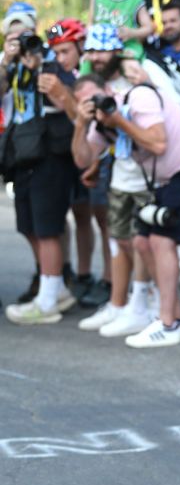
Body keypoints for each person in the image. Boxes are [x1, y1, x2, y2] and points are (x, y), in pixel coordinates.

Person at [71, 73, 180, 347]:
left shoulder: (138, 98)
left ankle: (167, 323)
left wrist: (118, 120)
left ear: (109, 90)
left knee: (161, 239)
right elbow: (83, 160)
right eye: (87, 103)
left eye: (97, 96)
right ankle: (179, 318)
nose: (96, 104)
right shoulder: (98, 123)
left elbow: (157, 143)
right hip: (172, 177)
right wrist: (81, 125)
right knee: (141, 241)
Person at [74, 24, 180, 338]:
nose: (96, 57)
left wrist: (147, 83)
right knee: (119, 239)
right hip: (120, 170)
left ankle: (147, 304)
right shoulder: (95, 83)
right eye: (92, 51)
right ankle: (120, 303)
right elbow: (100, 135)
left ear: (118, 49)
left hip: (153, 172)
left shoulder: (142, 69)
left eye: (103, 50)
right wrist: (98, 160)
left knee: (145, 241)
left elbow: (174, 108)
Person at [2, 22, 79, 324]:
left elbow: (69, 104)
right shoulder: (12, 67)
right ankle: (55, 286)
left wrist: (40, 67)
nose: (25, 46)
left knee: (48, 227)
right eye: (15, 40)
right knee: (28, 225)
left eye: (28, 38)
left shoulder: (51, 64)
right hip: (21, 153)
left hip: (50, 154)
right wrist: (7, 61)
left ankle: (47, 300)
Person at [48, 18, 113, 309]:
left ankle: (103, 278)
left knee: (101, 217)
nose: (60, 58)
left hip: (97, 153)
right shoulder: (51, 73)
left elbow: (86, 120)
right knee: (72, 216)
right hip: (65, 155)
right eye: (56, 52)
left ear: (80, 48)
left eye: (66, 51)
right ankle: (74, 273)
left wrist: (64, 97)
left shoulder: (88, 78)